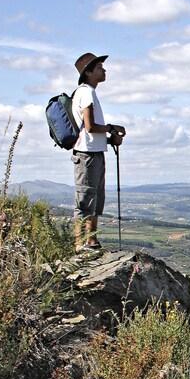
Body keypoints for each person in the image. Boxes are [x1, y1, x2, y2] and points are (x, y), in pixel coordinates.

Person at [70, 52, 126, 251]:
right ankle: (80, 245)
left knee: (94, 199)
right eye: (100, 67)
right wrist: (111, 128)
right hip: (87, 155)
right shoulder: (85, 92)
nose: (104, 70)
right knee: (86, 200)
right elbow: (90, 126)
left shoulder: (89, 92)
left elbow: (91, 130)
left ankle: (91, 241)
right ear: (89, 72)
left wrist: (110, 138)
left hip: (93, 152)